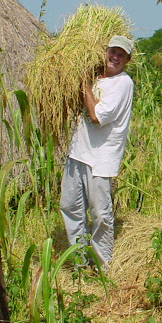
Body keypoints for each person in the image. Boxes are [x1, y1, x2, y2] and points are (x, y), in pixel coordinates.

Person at [59, 34, 134, 268]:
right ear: (105, 51)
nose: (115, 57)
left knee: (101, 214)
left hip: (101, 160)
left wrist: (84, 85)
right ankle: (80, 263)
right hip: (77, 153)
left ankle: (103, 266)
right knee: (70, 207)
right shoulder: (94, 77)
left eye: (121, 54)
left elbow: (96, 117)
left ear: (128, 60)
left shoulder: (123, 83)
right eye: (112, 51)